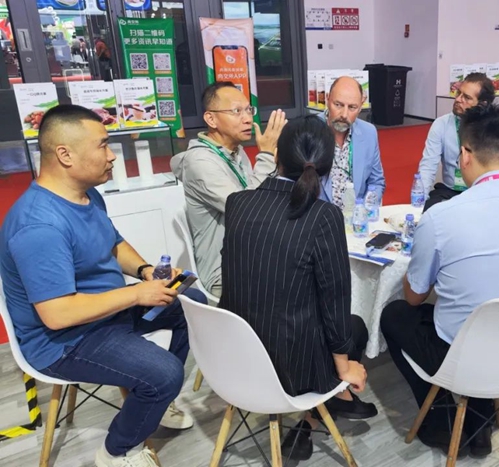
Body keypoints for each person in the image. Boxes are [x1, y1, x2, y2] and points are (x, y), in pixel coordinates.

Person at [0, 105, 207, 467]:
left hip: (105, 313)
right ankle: (117, 451)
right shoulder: (39, 226)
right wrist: (136, 293)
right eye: (103, 145)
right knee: (164, 373)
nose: (112, 156)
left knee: (191, 301)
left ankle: (154, 400)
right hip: (64, 342)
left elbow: (113, 243)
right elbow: (57, 315)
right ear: (65, 154)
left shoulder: (86, 195)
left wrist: (145, 271)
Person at [381, 104, 499, 459]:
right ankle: (481, 418)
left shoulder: (442, 218)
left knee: (395, 315)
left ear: (464, 156)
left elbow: (413, 297)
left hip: (466, 361)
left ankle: (440, 422)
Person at [220, 116, 377, 461]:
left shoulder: (237, 203)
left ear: (276, 155)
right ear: (328, 164)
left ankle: (319, 415)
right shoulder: (324, 215)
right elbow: (336, 299)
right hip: (289, 371)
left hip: (232, 358)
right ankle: (317, 414)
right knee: (355, 327)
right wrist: (344, 367)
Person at [171, 82, 286, 298]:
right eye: (236, 111)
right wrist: (266, 156)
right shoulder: (200, 162)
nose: (248, 118)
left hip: (250, 257)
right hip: (224, 272)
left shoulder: (236, 152)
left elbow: (259, 198)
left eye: (248, 110)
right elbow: (247, 208)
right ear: (211, 119)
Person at [418, 73, 495, 211]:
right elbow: (428, 166)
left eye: (467, 98)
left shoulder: (493, 127)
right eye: (459, 93)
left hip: (483, 192)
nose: (458, 99)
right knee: (429, 210)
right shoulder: (441, 124)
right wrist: (419, 200)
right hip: (450, 191)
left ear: (482, 104)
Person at [321, 76, 385, 208]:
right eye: (338, 105)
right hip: (319, 216)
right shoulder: (307, 130)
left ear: (361, 106)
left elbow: (376, 182)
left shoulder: (369, 133)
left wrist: (365, 210)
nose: (344, 114)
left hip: (357, 215)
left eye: (352, 107)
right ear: (327, 99)